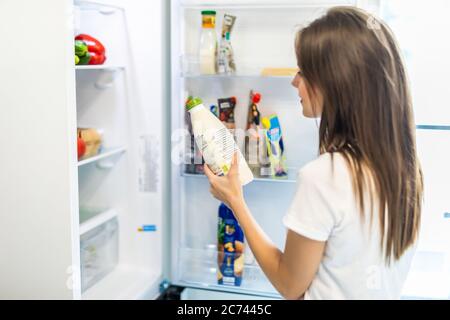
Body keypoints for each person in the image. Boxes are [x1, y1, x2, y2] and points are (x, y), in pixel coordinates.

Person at [204, 6, 423, 300]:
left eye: (304, 72)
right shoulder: (407, 170)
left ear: (337, 82)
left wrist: (235, 202)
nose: (295, 81)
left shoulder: (327, 175)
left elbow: (289, 284)